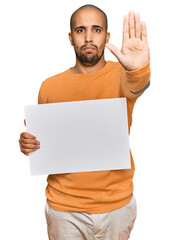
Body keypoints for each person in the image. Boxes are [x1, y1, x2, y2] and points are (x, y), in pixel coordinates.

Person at [19, 4, 151, 240]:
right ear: (71, 38)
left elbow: (137, 85)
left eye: (97, 30)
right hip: (64, 208)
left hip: (116, 206)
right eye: (80, 30)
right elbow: (45, 144)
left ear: (107, 36)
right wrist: (29, 144)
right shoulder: (50, 87)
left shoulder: (122, 75)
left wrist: (139, 69)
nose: (89, 37)